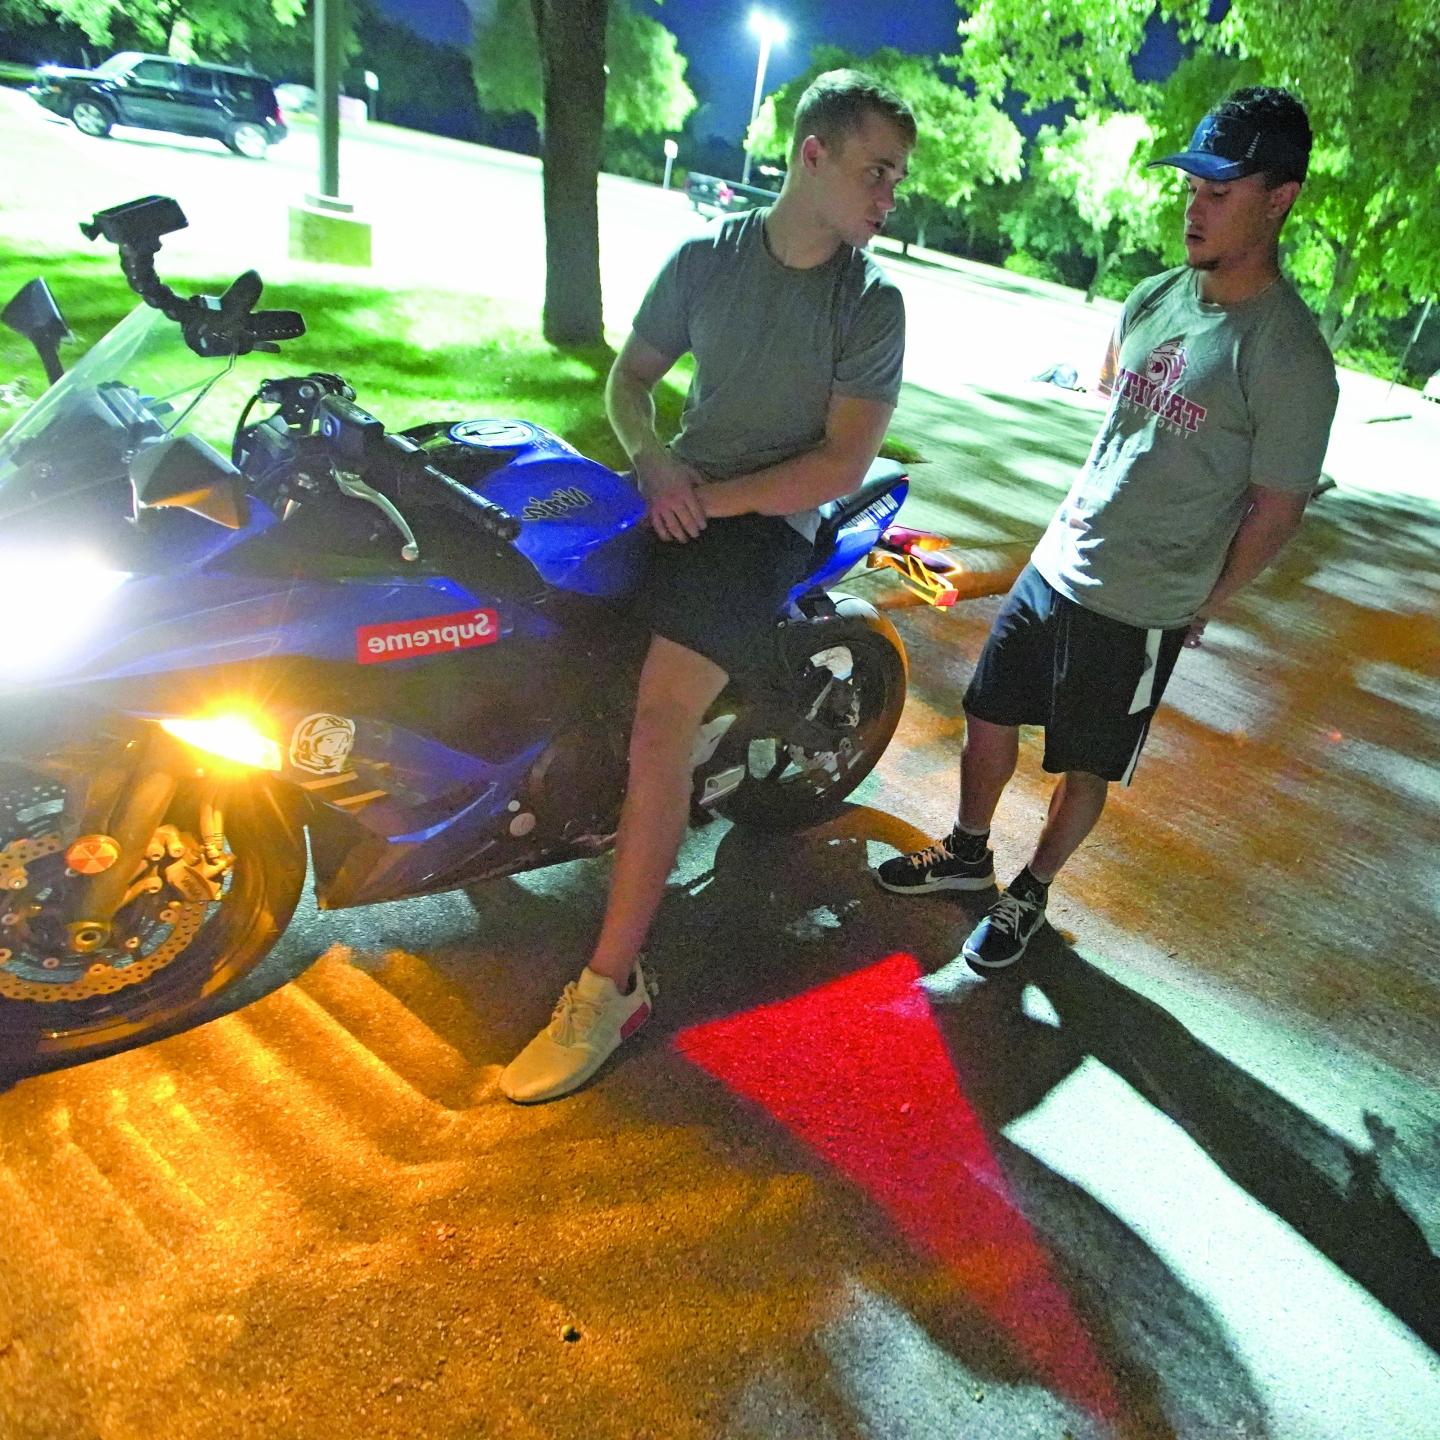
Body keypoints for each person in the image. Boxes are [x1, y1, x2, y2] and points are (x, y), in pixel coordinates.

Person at [501, 71, 916, 1102]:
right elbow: (629, 381)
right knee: (539, 617)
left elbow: (837, 468)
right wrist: (650, 460)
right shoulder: (704, 260)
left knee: (658, 723)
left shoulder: (872, 304)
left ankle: (613, 984)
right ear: (810, 157)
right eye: (875, 172)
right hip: (677, 490)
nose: (888, 197)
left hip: (765, 524)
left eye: (896, 179)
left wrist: (712, 499)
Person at [875, 86, 1338, 975]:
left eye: (1219, 191)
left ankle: (1031, 893)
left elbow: (1278, 508)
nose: (1193, 206)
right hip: (1059, 562)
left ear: (1278, 200)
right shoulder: (1157, 296)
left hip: (1143, 602)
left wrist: (1204, 597)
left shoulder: (1287, 356)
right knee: (986, 716)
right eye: (1192, 186)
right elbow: (1117, 414)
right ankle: (968, 852)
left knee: (1082, 768)